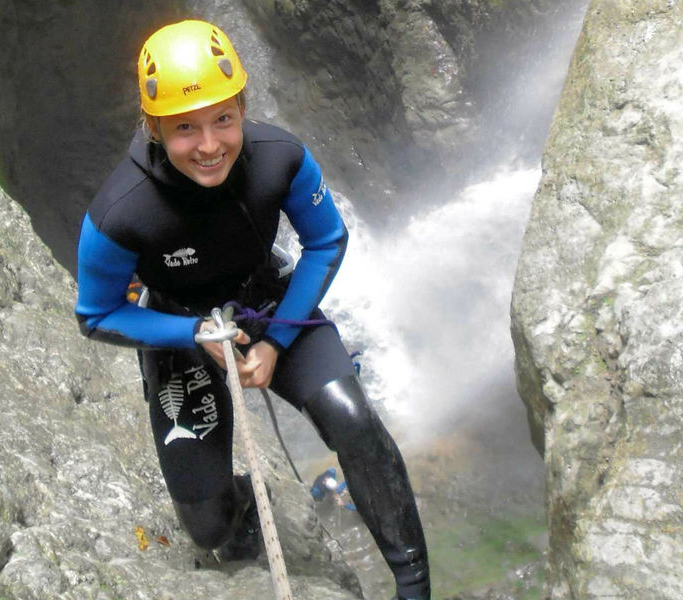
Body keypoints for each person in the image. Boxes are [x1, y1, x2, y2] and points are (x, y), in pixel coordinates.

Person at [75, 19, 430, 600]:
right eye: (185, 127)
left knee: (354, 421)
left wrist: (276, 342)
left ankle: (413, 584)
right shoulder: (121, 213)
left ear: (243, 106)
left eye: (223, 118)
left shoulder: (277, 157)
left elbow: (326, 240)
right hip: (179, 326)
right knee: (207, 523)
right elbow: (96, 315)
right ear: (155, 128)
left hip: (266, 298)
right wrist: (195, 334)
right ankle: (241, 507)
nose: (210, 144)